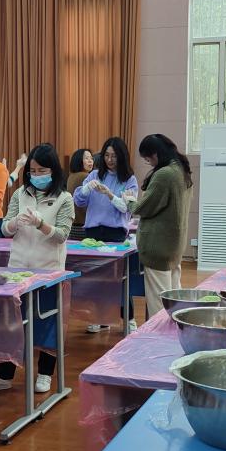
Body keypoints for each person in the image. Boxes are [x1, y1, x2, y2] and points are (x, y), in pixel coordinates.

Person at [0, 144, 74, 396]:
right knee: (12, 324)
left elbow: (62, 235)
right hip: (18, 269)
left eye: (42, 170)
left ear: (53, 171)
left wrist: (41, 224)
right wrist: (14, 224)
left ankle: (45, 374)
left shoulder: (64, 198)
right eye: (32, 170)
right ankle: (3, 375)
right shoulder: (20, 193)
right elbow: (4, 228)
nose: (36, 175)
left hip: (48, 271)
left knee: (48, 322)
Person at [74, 138, 139, 333]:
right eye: (107, 156)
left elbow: (127, 208)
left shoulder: (129, 179)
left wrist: (110, 194)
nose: (110, 160)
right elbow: (79, 201)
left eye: (114, 156)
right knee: (95, 279)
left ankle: (129, 319)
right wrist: (85, 189)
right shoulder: (94, 174)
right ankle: (100, 318)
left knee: (118, 279)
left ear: (122, 157)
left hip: (115, 234)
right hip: (93, 233)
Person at [132, 134, 193, 317]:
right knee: (174, 301)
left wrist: (129, 202)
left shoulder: (165, 174)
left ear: (156, 154)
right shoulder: (181, 169)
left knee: (159, 305)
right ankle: (174, 332)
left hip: (158, 247)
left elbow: (143, 208)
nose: (149, 163)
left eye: (148, 158)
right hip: (174, 245)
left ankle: (158, 335)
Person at [66, 148, 94, 241]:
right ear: (79, 160)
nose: (90, 161)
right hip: (84, 225)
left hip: (72, 226)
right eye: (86, 158)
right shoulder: (86, 176)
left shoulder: (71, 176)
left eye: (91, 158)